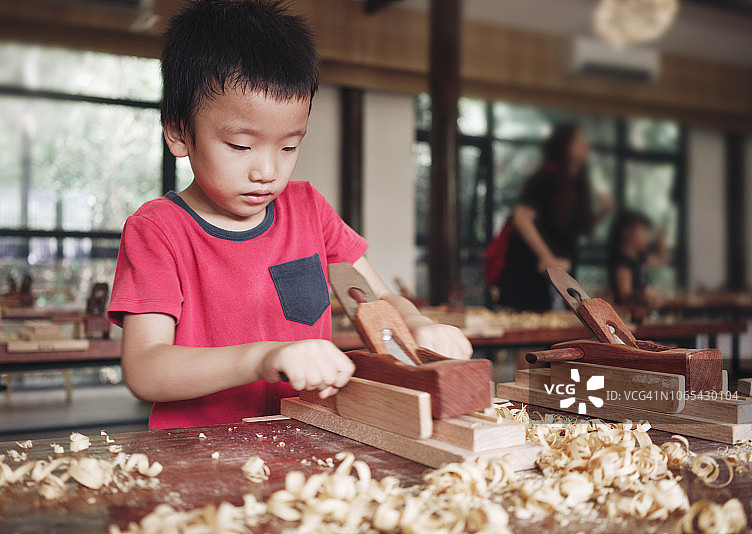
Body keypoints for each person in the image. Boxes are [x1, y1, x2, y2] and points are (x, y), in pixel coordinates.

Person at [108, 0, 472, 430]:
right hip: (198, 453)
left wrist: (417, 324)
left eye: (288, 146)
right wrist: (263, 358)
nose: (267, 171)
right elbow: (146, 369)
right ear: (178, 132)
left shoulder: (308, 209)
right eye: (241, 146)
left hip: (308, 437)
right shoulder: (158, 230)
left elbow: (377, 300)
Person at [498, 124, 612, 311]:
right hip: (532, 274)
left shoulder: (575, 185)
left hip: (559, 273)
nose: (585, 145)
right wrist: (547, 257)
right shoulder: (547, 176)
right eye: (579, 140)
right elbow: (522, 217)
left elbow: (575, 228)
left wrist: (604, 212)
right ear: (565, 146)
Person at [607, 210, 668, 307]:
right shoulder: (623, 263)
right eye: (643, 231)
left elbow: (662, 260)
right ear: (626, 233)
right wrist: (643, 296)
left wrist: (660, 240)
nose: (647, 237)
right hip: (626, 317)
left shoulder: (639, 259)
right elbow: (625, 296)